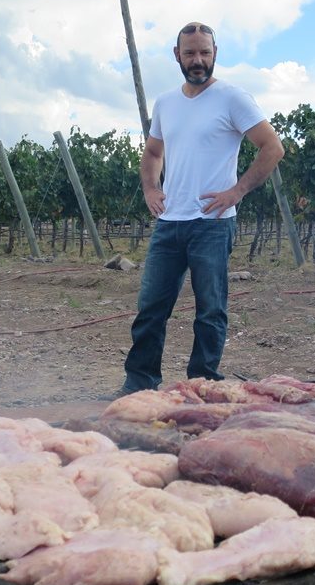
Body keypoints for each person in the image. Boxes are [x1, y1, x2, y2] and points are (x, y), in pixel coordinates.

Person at [118, 21, 284, 395]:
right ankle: (140, 384)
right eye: (190, 53)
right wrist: (150, 188)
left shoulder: (233, 98)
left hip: (213, 222)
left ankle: (202, 384)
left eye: (204, 53)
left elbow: (272, 147)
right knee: (151, 308)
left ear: (215, 54)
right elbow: (153, 152)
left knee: (210, 310)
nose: (198, 60)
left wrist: (236, 191)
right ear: (177, 55)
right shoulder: (166, 103)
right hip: (170, 222)